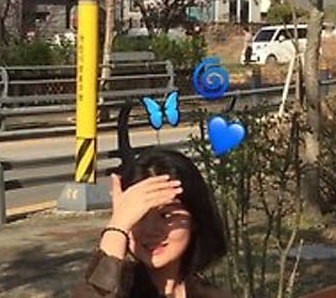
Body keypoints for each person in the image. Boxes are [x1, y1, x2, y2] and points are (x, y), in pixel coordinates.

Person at [73, 108, 229, 298]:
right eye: (139, 217)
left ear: (194, 219)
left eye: (166, 215)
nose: (151, 230)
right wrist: (116, 228)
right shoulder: (115, 289)